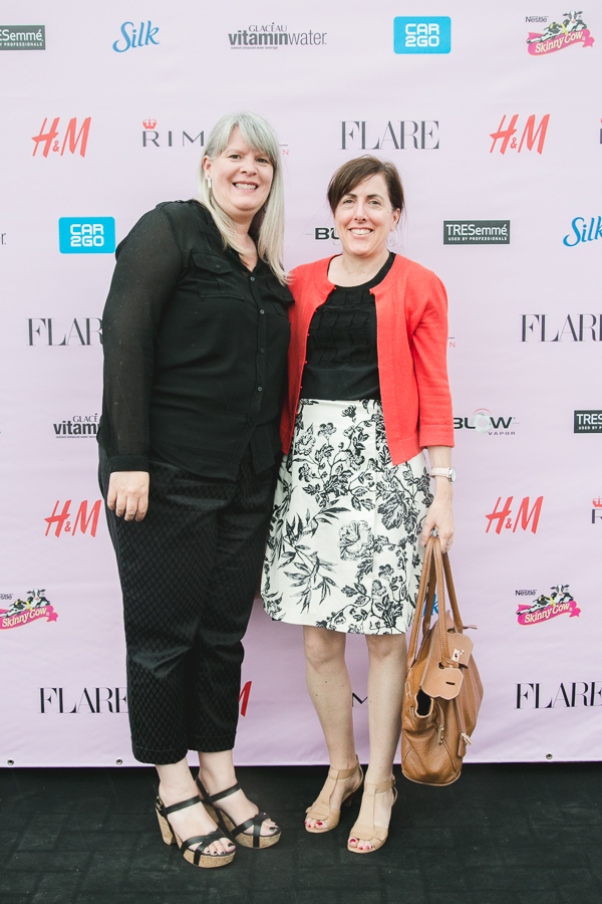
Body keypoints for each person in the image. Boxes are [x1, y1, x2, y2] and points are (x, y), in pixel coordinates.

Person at [98, 112, 293, 868]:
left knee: (220, 636)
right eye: (235, 155)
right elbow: (126, 335)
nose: (249, 169)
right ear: (208, 165)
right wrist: (129, 457)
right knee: (163, 639)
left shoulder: (265, 266)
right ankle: (172, 783)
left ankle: (218, 769)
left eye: (262, 160)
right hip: (167, 477)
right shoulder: (171, 229)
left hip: (246, 482)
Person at [262, 156, 454, 854]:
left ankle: (379, 782)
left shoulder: (420, 284)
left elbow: (434, 390)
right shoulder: (298, 283)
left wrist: (443, 489)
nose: (360, 213)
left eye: (375, 201)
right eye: (348, 201)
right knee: (318, 637)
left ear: (396, 215)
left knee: (382, 637)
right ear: (334, 212)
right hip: (311, 473)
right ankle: (340, 769)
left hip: (387, 474)